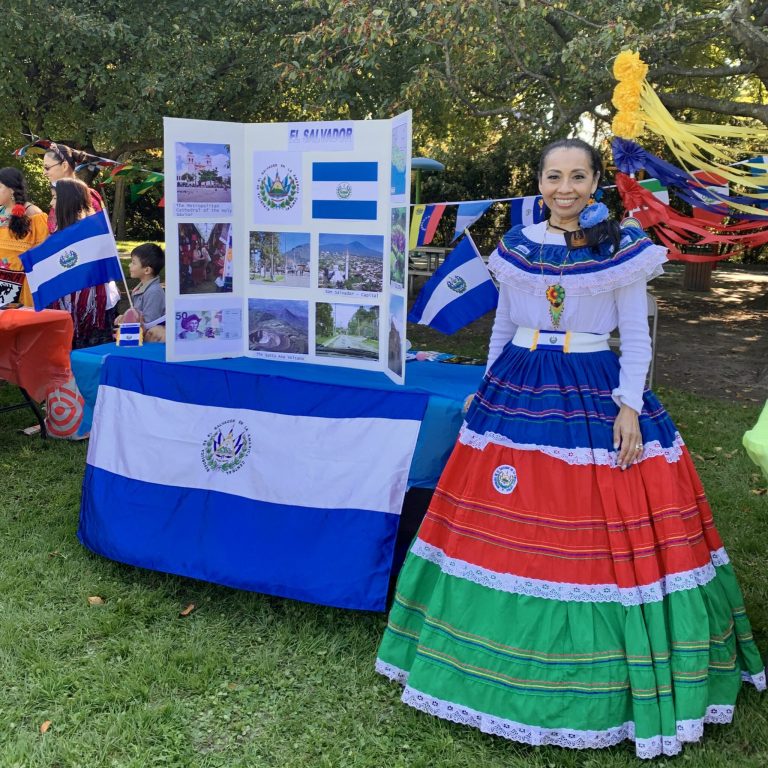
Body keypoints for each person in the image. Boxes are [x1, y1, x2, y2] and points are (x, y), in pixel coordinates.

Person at [376, 138, 764, 759]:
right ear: (539, 182)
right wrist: (484, 392)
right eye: (554, 177)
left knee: (590, 526)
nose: (566, 188)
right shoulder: (516, 247)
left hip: (592, 390)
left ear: (594, 183)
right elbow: (503, 325)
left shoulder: (623, 248)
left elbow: (634, 339)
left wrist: (630, 407)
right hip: (516, 389)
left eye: (578, 177)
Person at [43, 144, 119, 347]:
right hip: (65, 282)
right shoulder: (56, 199)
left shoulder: (87, 195)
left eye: (47, 167)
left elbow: (98, 242)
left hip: (87, 287)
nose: (44, 173)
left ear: (65, 165)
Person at [0, 167, 48, 307]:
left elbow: (43, 251)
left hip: (22, 284)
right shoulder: (1, 211)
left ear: (12, 189)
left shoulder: (34, 214)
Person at [116, 243, 165, 325]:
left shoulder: (154, 292)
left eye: (133, 263)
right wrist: (124, 317)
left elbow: (150, 324)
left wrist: (127, 321)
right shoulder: (140, 288)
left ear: (147, 270)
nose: (129, 265)